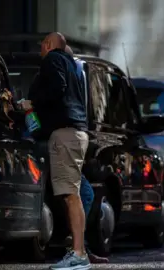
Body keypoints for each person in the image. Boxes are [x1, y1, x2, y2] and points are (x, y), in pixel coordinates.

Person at [22, 32, 90, 270]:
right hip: (78, 133)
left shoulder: (53, 60)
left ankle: (79, 254)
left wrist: (32, 104)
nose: (41, 50)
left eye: (42, 45)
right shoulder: (72, 66)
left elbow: (56, 88)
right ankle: (80, 252)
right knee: (74, 195)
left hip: (66, 135)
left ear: (49, 44)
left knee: (71, 196)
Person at [63, 45, 109, 264]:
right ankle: (76, 246)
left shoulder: (63, 79)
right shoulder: (62, 80)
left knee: (84, 194)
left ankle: (79, 246)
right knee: (83, 195)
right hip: (59, 146)